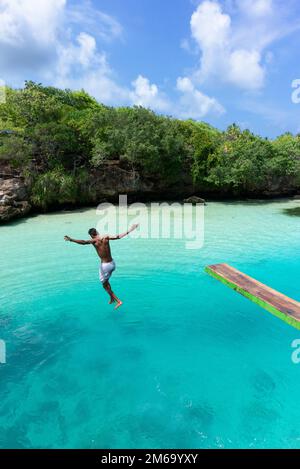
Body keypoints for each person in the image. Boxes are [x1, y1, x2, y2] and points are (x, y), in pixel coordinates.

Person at [64, 224, 139, 310]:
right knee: (106, 282)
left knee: (104, 285)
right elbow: (118, 236)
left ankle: (118, 301)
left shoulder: (94, 241)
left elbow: (83, 242)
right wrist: (130, 230)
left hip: (105, 266)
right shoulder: (106, 237)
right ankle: (111, 298)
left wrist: (71, 239)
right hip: (112, 263)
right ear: (97, 232)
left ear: (91, 235)